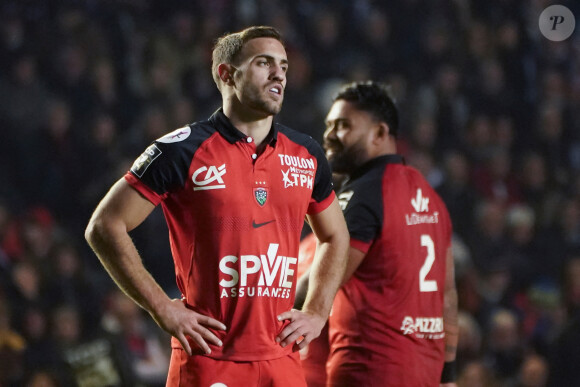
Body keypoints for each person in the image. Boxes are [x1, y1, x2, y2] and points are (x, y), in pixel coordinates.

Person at [84, 26, 349, 387]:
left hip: (281, 359)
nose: (279, 75)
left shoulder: (306, 153)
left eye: (283, 66)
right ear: (226, 73)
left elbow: (335, 236)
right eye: (264, 63)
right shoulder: (180, 149)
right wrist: (161, 308)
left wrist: (317, 311)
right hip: (210, 359)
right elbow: (104, 226)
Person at [320, 81, 458, 386]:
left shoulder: (364, 194)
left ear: (380, 134)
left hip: (369, 370)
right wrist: (448, 376)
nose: (330, 135)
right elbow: (447, 296)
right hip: (426, 373)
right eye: (329, 124)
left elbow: (324, 282)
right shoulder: (432, 198)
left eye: (343, 125)